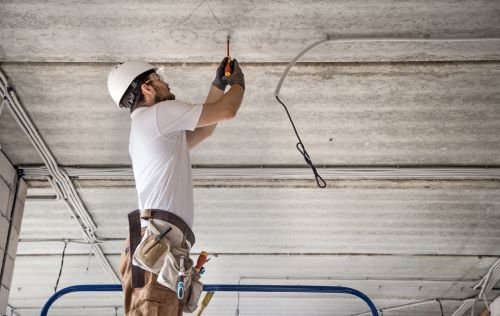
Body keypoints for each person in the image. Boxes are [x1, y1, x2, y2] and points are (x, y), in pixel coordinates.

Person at [107, 58, 245, 315]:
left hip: (158, 250)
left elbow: (204, 130)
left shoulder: (150, 126)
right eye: (158, 78)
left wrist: (218, 86)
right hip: (158, 251)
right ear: (147, 88)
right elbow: (228, 111)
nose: (165, 82)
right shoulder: (157, 115)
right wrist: (238, 84)